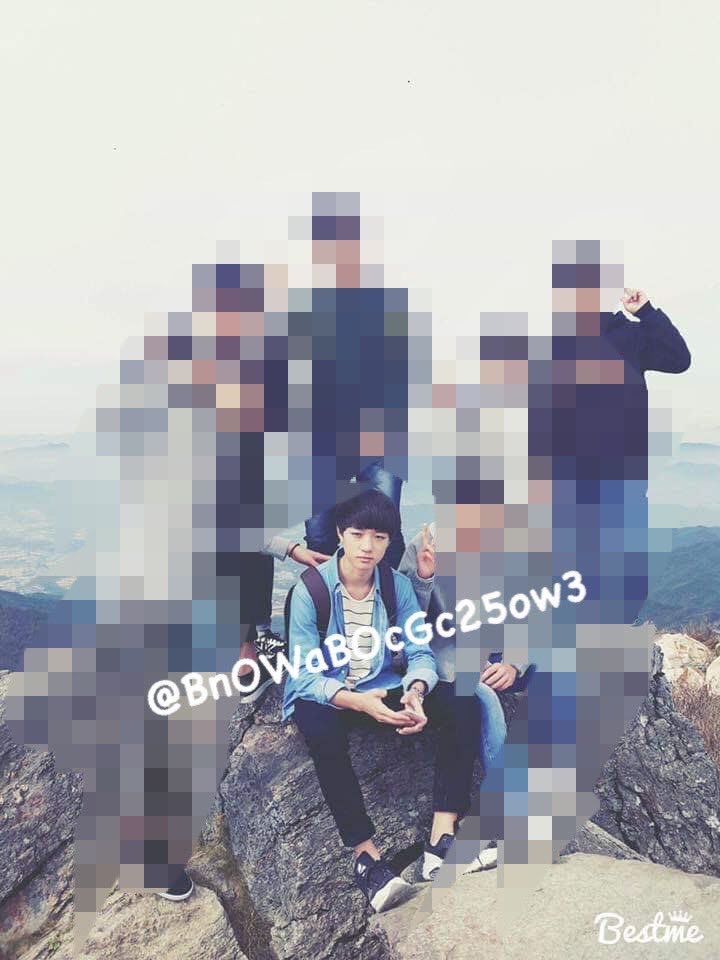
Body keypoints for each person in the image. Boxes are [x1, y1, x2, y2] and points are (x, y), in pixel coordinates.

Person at [285, 489, 484, 911]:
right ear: (340, 533)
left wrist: (416, 691)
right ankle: (367, 860)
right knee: (320, 732)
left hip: (382, 681)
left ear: (389, 541)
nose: (367, 547)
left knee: (464, 701)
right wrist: (358, 702)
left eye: (379, 537)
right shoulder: (309, 591)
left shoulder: (396, 586)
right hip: (331, 691)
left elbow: (419, 652)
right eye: (358, 534)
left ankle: (441, 841)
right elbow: (302, 674)